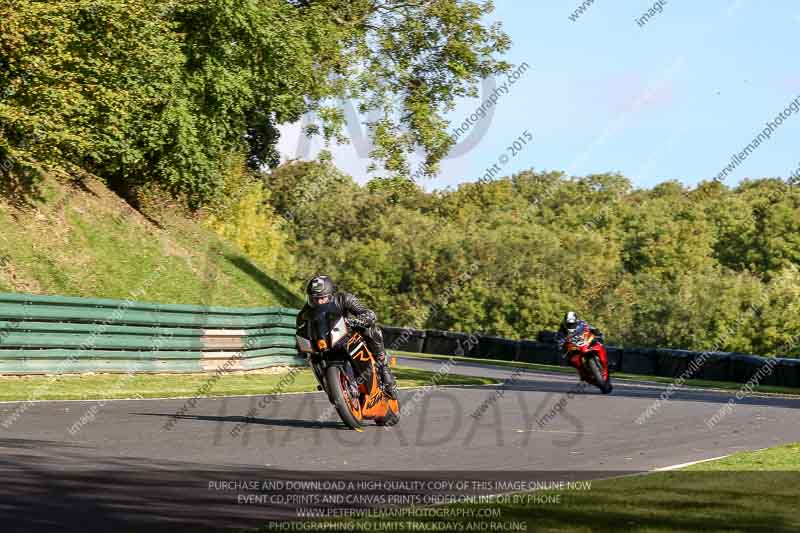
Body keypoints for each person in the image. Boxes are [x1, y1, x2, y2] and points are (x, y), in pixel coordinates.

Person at [298, 275, 398, 399]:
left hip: (348, 334)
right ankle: (327, 384)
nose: (319, 302)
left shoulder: (343, 299)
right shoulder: (304, 314)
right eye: (314, 299)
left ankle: (383, 368)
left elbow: (367, 312)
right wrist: (300, 346)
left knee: (371, 330)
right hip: (325, 344)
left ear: (331, 295)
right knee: (311, 357)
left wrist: (362, 319)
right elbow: (300, 332)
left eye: (322, 298)